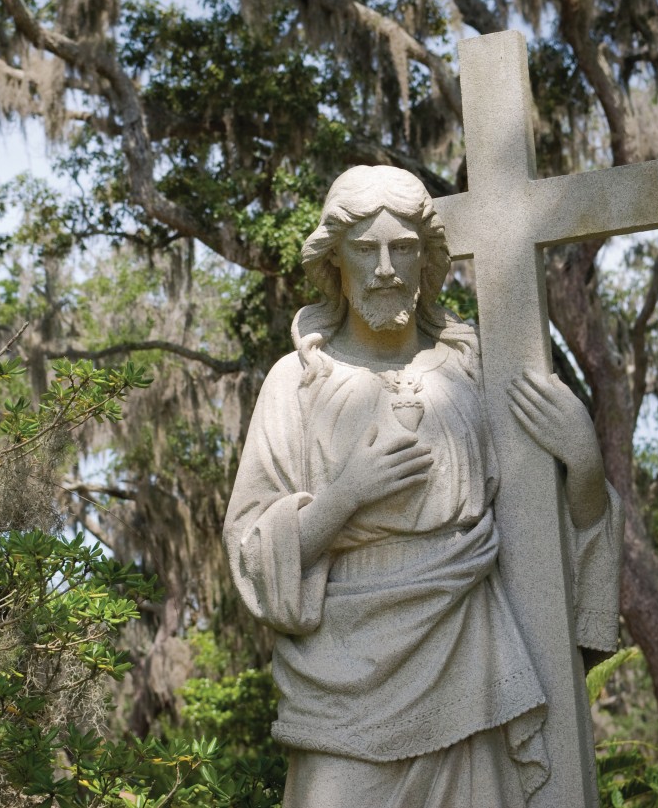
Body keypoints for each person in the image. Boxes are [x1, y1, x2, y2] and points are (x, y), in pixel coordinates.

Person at [223, 165, 622, 807]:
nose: (386, 267)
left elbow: (550, 541)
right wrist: (342, 497)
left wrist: (585, 465)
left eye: (403, 248)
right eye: (366, 249)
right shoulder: (295, 386)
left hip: (468, 662)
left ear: (426, 261)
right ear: (336, 263)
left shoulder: (473, 377)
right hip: (342, 685)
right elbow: (250, 549)